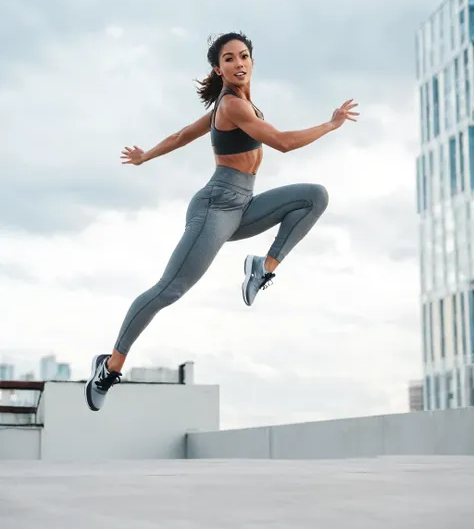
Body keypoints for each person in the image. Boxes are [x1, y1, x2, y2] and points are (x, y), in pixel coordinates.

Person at [85, 31, 359, 411]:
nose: (238, 63)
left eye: (243, 55)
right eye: (229, 58)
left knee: (314, 196)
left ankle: (263, 267)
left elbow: (184, 134)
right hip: (215, 208)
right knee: (170, 289)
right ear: (219, 68)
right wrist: (330, 125)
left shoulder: (241, 106)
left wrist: (147, 155)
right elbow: (281, 142)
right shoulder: (231, 107)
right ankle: (110, 366)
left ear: (252, 61)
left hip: (243, 204)